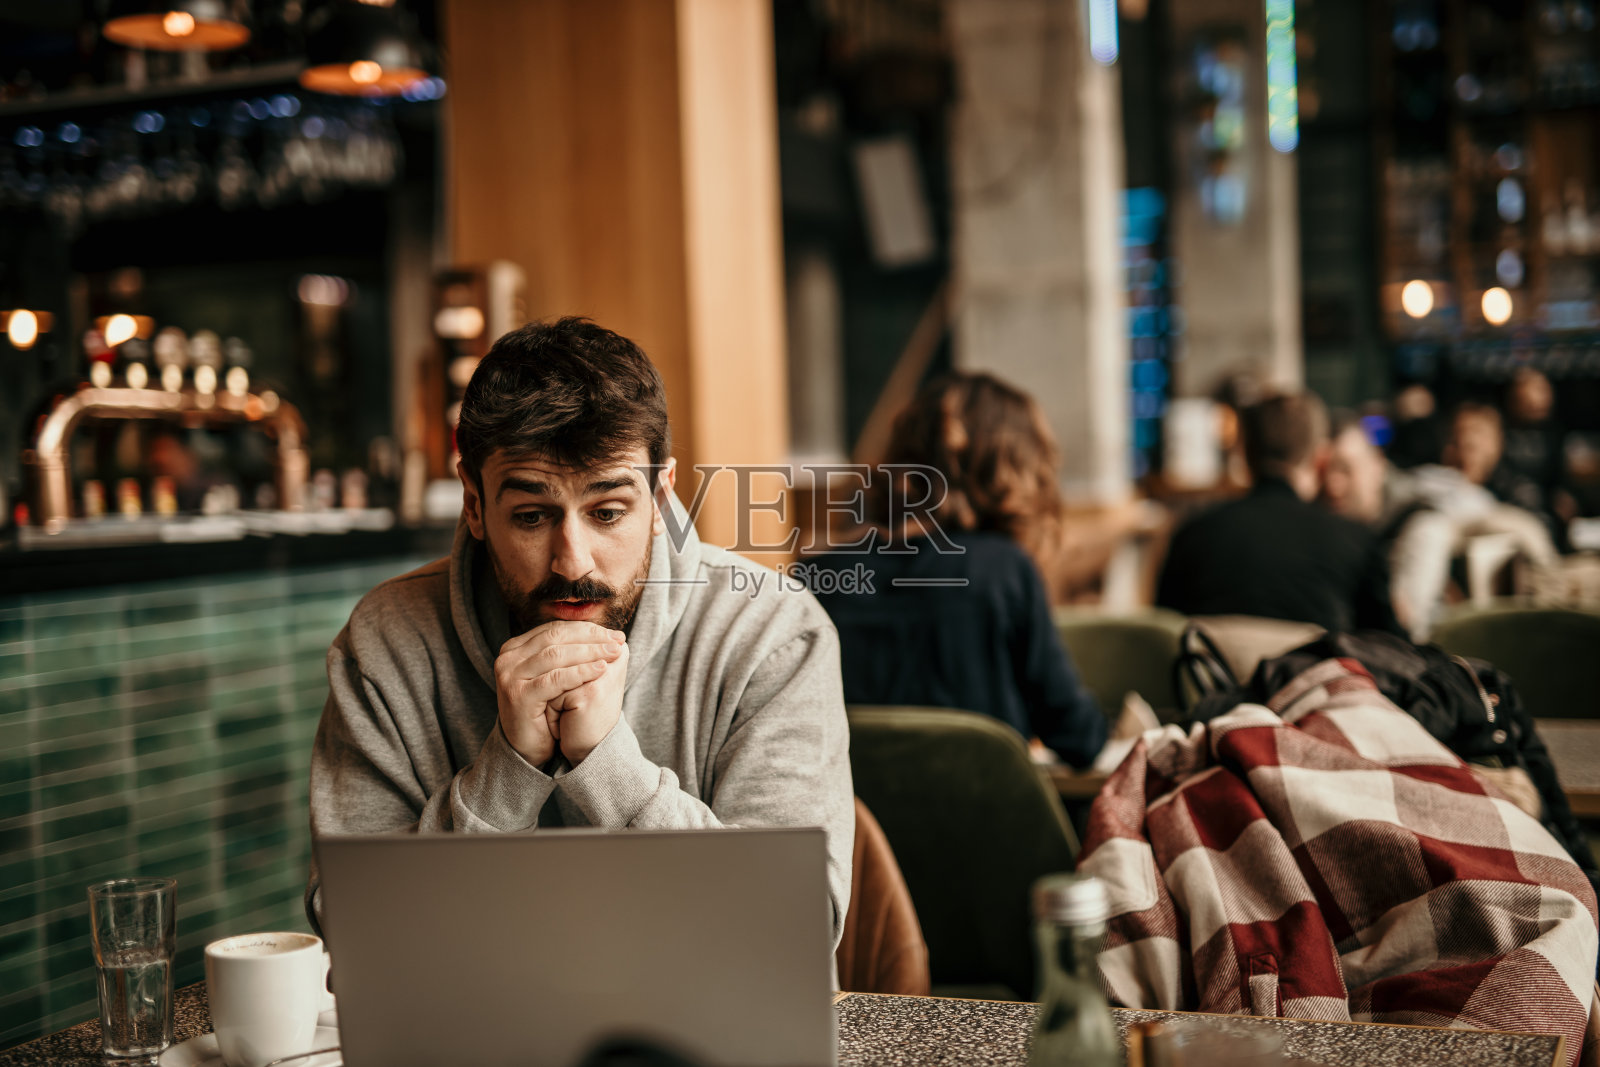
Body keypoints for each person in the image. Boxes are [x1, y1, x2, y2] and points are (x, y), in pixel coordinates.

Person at [305, 317, 854, 945]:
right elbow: (352, 927)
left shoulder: (772, 632)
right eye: (532, 516)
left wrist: (609, 765)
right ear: (475, 504)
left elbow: (794, 931)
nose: (573, 563)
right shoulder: (384, 642)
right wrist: (506, 772)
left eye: (608, 512)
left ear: (660, 499)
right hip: (476, 1012)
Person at [805, 372, 1108, 769]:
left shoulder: (816, 574)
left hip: (853, 809)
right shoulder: (1004, 570)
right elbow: (1077, 737)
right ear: (1015, 469)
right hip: (987, 806)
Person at [1156, 391, 1402, 634]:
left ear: (1245, 454)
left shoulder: (1191, 536)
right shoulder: (1355, 542)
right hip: (1312, 662)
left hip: (1212, 662)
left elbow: (1165, 637)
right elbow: (1390, 647)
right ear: (1320, 459)